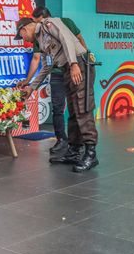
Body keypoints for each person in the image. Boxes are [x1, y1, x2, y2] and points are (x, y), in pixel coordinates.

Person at [15, 17, 99, 173]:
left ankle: (91, 154)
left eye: (22, 36)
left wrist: (74, 64)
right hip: (67, 69)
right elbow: (46, 67)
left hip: (78, 65)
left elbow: (66, 38)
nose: (24, 40)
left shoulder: (48, 24)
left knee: (82, 108)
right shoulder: (40, 40)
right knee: (74, 111)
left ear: (24, 28)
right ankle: (74, 151)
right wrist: (31, 88)